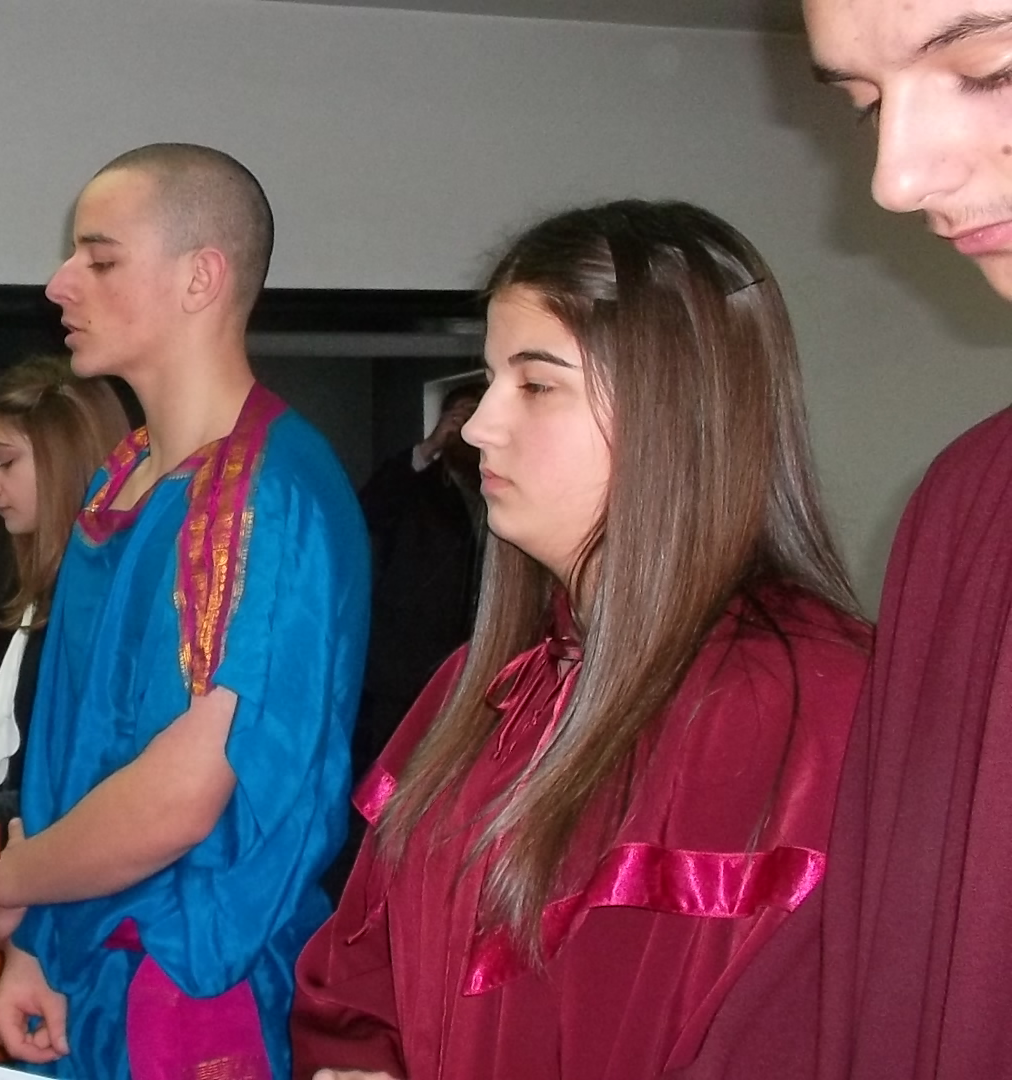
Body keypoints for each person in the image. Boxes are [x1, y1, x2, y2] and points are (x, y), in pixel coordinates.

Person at [289, 201, 872, 1080]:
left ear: (676, 412)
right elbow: (363, 976)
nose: (478, 426)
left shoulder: (817, 712)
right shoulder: (485, 690)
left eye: (536, 384)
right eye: (489, 379)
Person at [678, 4, 1012, 1077]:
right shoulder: (971, 504)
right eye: (867, 104)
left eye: (992, 69)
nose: (895, 180)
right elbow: (891, 959)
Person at [0, 143, 371, 1080]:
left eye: (99, 258)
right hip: (85, 954)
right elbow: (77, 745)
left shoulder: (266, 492)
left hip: (188, 977)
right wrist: (36, 941)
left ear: (202, 277)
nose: (59, 283)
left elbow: (179, 798)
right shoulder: (124, 475)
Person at [0, 359, 130, 822]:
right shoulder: (32, 599)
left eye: (6, 461)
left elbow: (97, 794)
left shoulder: (108, 601)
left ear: (66, 456)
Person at [323, 381, 488, 900]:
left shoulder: (499, 484)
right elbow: (367, 510)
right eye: (462, 414)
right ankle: (364, 883)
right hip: (402, 664)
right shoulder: (416, 483)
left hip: (472, 665)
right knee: (383, 779)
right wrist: (431, 447)